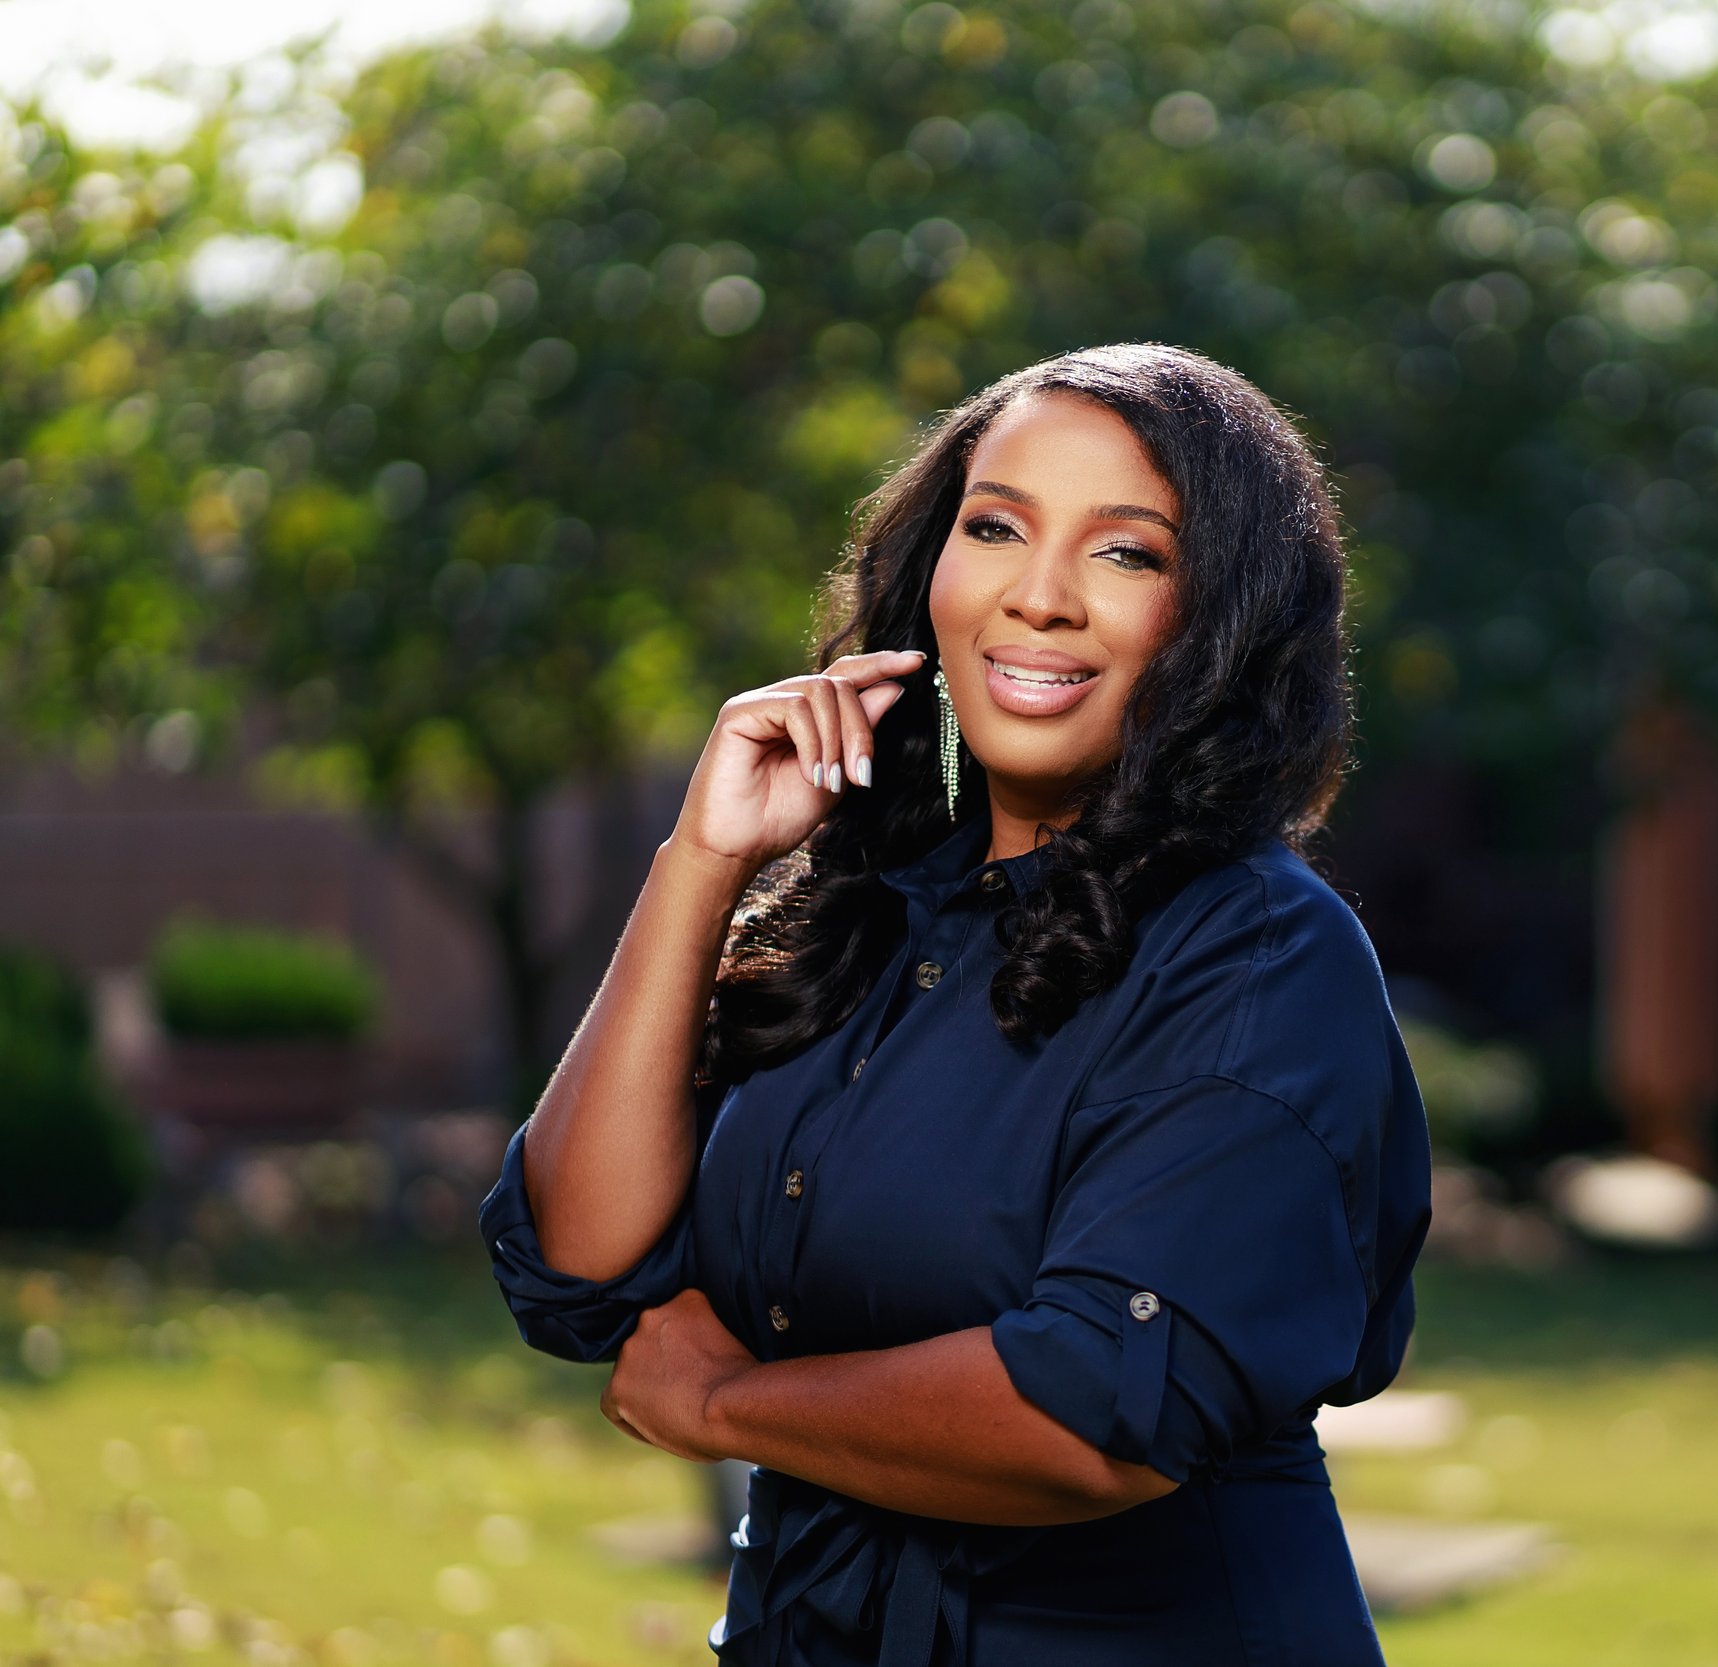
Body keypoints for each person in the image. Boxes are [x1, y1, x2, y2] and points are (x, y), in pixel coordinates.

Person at [477, 342, 1434, 1666]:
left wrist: (729, 1405)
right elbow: (578, 1276)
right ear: (933, 569)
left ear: (1224, 620)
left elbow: (1091, 1415)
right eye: (996, 528)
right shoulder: (870, 915)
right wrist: (700, 866)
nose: (1038, 598)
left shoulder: (1260, 954)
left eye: (1127, 554)